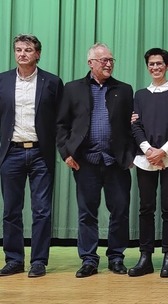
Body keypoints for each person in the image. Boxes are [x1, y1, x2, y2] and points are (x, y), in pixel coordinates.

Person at [56, 43, 135, 278]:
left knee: (119, 211)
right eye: (103, 60)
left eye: (111, 60)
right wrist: (66, 152)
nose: (108, 63)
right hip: (85, 161)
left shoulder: (125, 89)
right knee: (87, 213)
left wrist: (130, 155)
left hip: (116, 161)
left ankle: (116, 257)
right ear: (91, 63)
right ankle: (89, 259)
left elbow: (132, 126)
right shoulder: (72, 89)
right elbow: (61, 125)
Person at [0, 34, 63, 278]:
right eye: (18, 49)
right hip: (11, 153)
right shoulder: (3, 81)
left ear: (37, 54)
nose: (22, 54)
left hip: (40, 153)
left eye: (27, 50)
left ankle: (38, 260)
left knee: (42, 210)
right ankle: (14, 259)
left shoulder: (52, 82)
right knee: (11, 211)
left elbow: (60, 120)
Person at [128, 48, 168, 278]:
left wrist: (163, 151)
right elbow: (135, 124)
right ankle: (145, 257)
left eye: (159, 64)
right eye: (151, 64)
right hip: (145, 159)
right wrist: (148, 150)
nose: (155, 68)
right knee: (146, 208)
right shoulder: (140, 95)